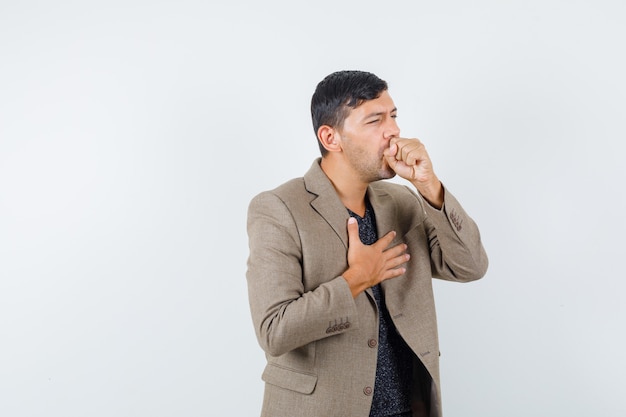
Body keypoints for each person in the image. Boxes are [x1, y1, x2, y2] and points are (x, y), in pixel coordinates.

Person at [245, 70, 488, 417]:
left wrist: (430, 186)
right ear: (331, 137)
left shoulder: (402, 201)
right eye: (375, 120)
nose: (393, 131)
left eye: (393, 116)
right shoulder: (279, 209)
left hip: (407, 407)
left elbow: (470, 266)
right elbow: (275, 331)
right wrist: (357, 278)